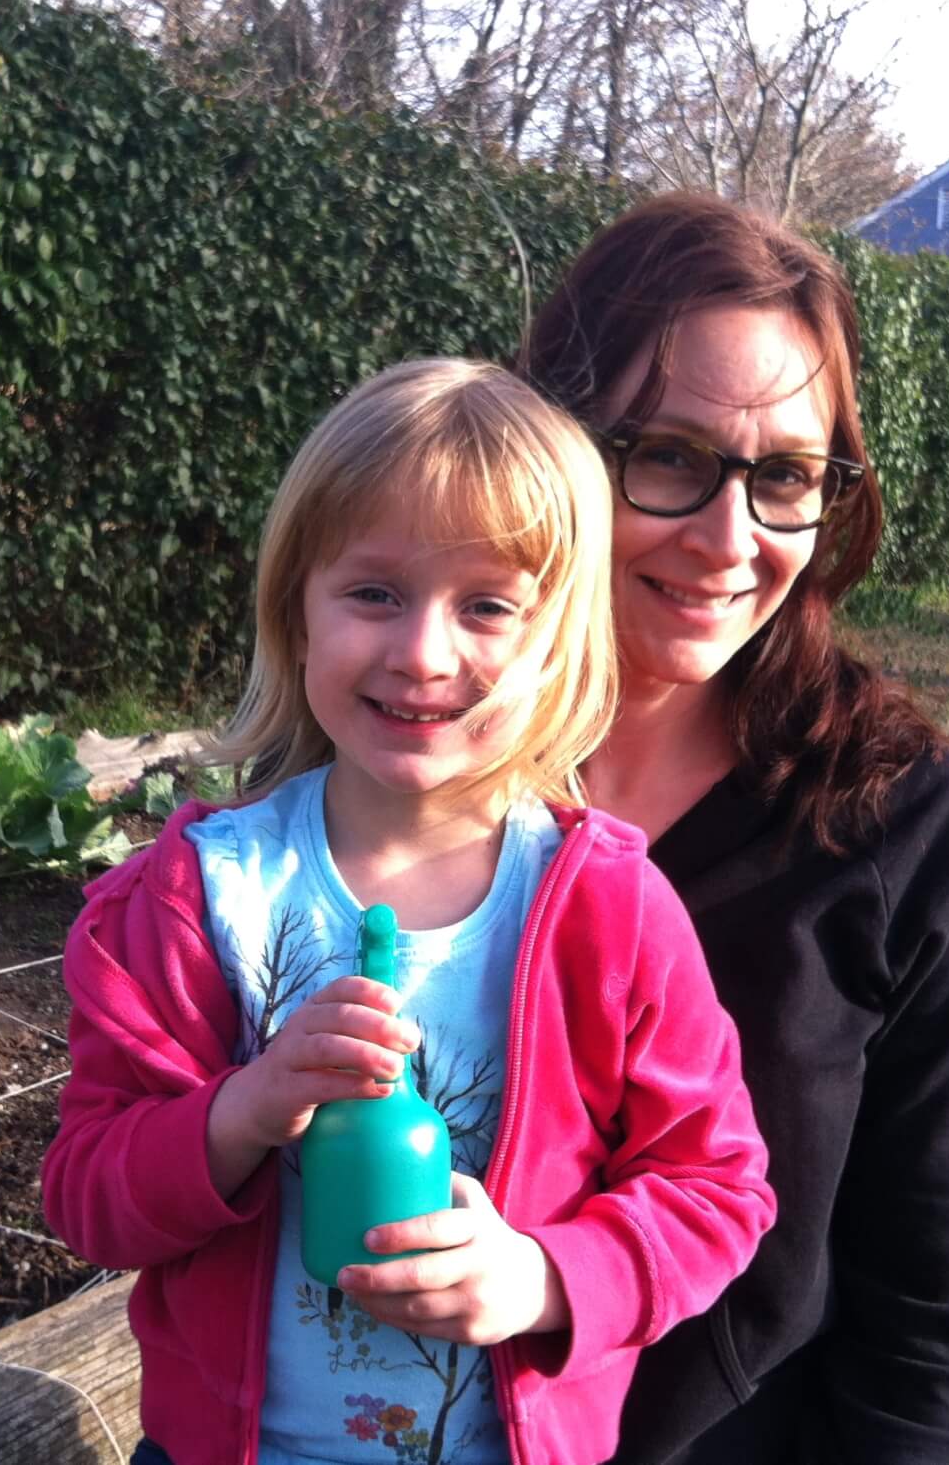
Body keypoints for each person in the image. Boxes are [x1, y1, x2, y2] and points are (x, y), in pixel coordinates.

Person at [44, 357, 777, 1465]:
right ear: (296, 608)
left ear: (556, 644)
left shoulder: (608, 911)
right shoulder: (200, 896)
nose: (422, 653)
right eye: (373, 593)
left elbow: (715, 1192)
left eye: (487, 606)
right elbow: (87, 1195)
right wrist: (240, 1110)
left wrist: (539, 1279)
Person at [515, 193, 949, 1464]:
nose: (727, 540)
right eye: (671, 456)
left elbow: (940, 1297)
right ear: (550, 443)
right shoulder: (400, 761)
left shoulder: (897, 820)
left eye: (787, 476)